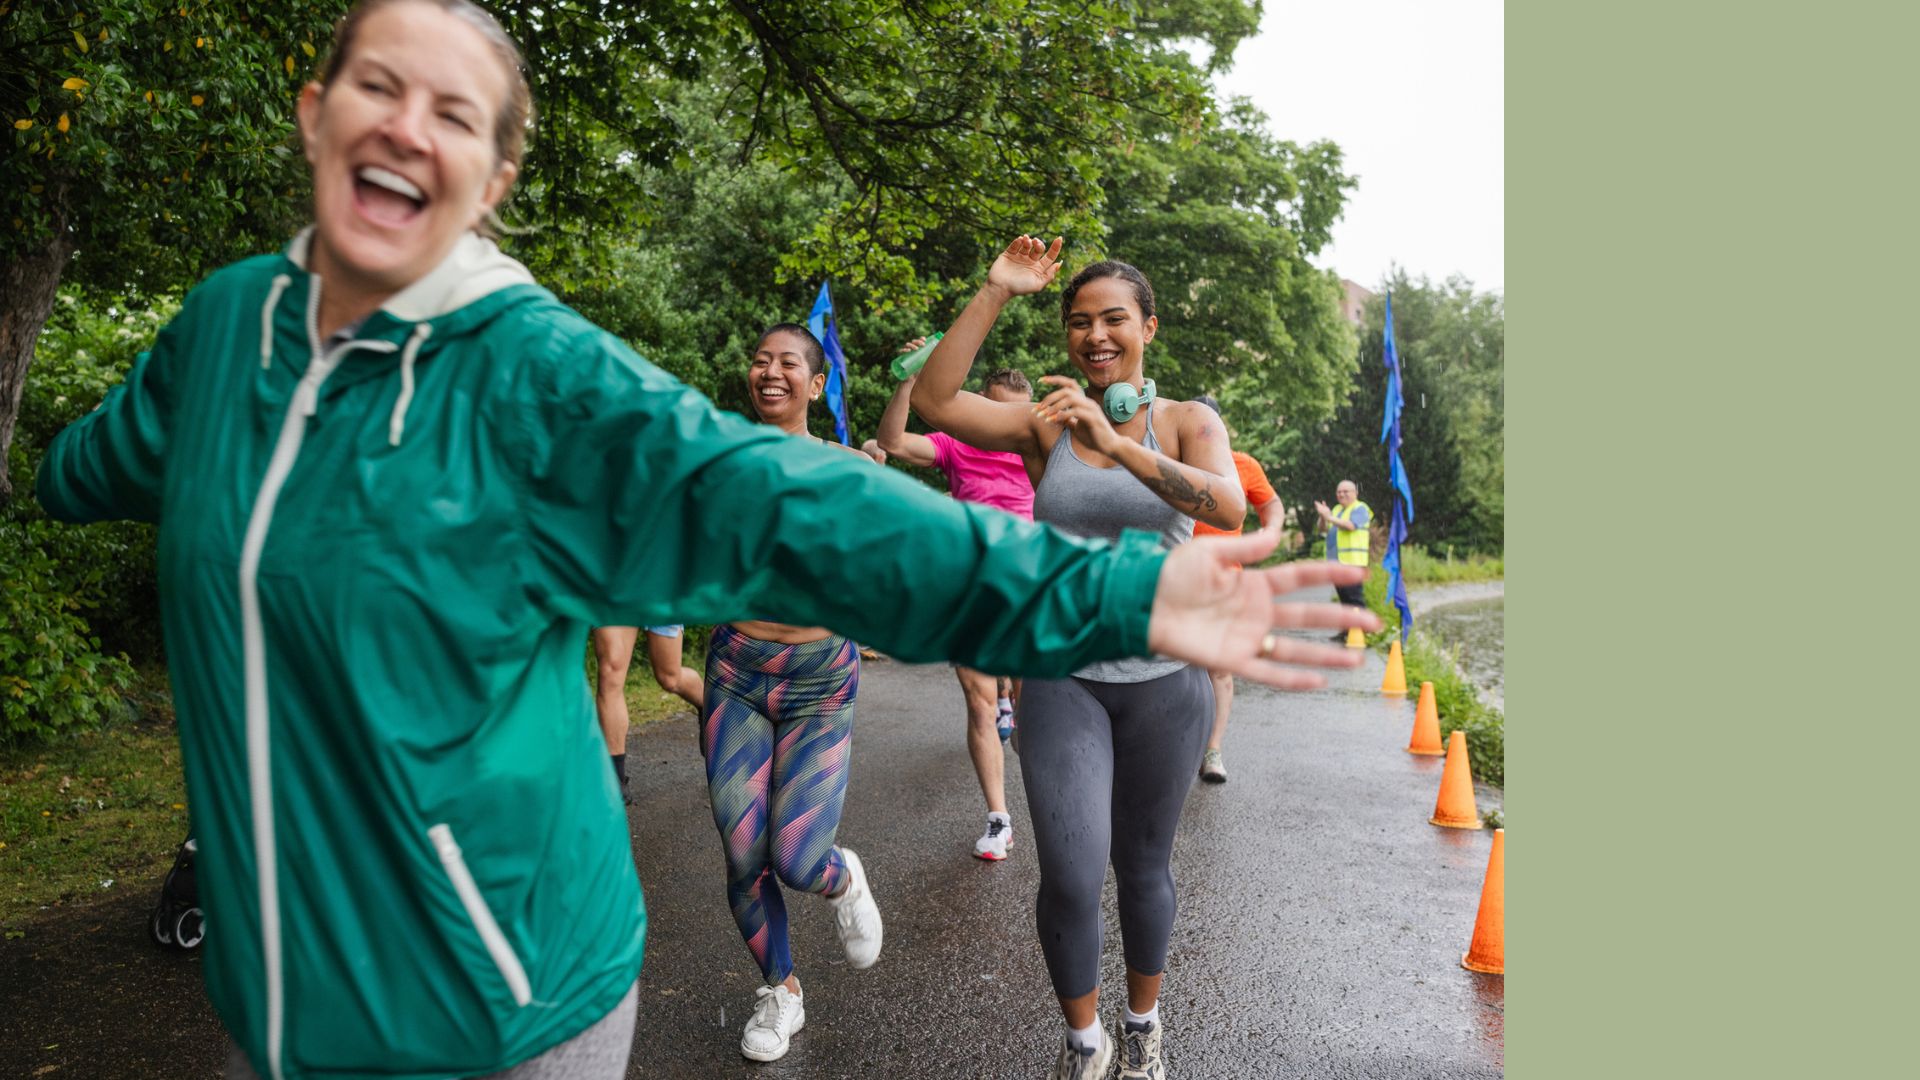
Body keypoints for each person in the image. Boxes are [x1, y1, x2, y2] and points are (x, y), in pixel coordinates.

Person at [33, 3, 1376, 1074]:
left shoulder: (533, 377)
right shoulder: (226, 327)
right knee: (750, 850)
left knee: (845, 846)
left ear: (494, 177)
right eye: (377, 86)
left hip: (493, 1008)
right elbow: (108, 454)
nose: (405, 128)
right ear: (314, 113)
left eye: (454, 112)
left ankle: (1061, 1002)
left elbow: (805, 506)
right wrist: (48, 472)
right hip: (275, 1005)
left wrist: (1122, 595)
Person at [911, 237, 1365, 1080]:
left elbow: (1227, 505)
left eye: (1113, 318)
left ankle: (1143, 1027)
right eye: (1079, 323)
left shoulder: (1191, 420)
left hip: (1167, 681)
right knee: (1074, 874)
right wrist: (996, 290)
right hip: (1063, 678)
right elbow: (937, 402)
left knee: (1145, 867)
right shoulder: (1049, 422)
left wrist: (1121, 447)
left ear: (1147, 326)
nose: (1095, 335)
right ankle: (1085, 1044)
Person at [701, 322, 887, 1063]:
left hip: (819, 680)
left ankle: (842, 879)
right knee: (743, 853)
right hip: (736, 672)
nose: (769, 372)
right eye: (759, 360)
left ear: (817, 386)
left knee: (798, 857)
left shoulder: (848, 470)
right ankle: (781, 991)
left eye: (789, 364)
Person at [876, 359, 1035, 861]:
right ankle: (999, 819)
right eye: (991, 412)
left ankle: (1040, 772)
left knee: (1031, 718)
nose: (1002, 427)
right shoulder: (955, 445)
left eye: (1013, 418)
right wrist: (909, 379)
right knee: (979, 702)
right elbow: (894, 441)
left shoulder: (1040, 448)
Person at [1188, 395, 1286, 785]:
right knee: (1175, 667)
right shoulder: (1170, 462)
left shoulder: (1242, 465)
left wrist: (1272, 530)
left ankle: (1213, 751)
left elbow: (1271, 503)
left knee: (1219, 669)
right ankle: (1173, 748)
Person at [590, 625, 703, 802]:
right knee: (610, 672)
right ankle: (614, 780)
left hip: (658, 596)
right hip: (615, 596)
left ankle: (707, 705)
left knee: (669, 678)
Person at [1315, 479, 1373, 635]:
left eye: (1345, 491)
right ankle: (1347, 631)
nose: (1341, 494)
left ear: (1355, 493)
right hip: (1337, 563)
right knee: (1344, 600)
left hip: (1353, 563)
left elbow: (1350, 526)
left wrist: (1329, 517)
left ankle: (1363, 632)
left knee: (1354, 599)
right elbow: (1323, 530)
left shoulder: (1361, 508)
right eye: (1339, 492)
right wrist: (1322, 516)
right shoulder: (1336, 510)